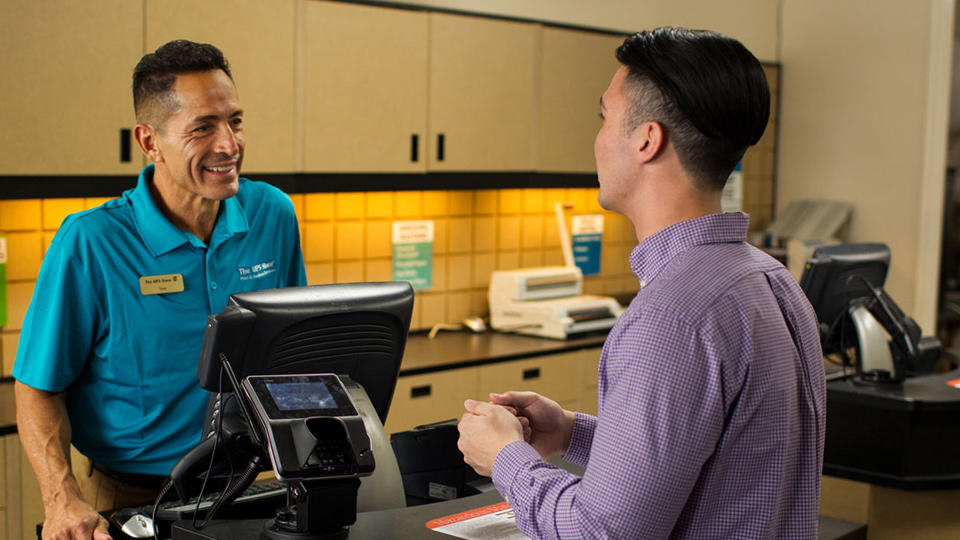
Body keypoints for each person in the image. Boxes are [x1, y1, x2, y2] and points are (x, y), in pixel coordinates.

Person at [458, 27, 825, 539]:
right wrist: (571, 431)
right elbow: (712, 462)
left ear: (647, 140)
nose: (597, 138)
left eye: (604, 117)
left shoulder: (671, 316)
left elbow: (598, 533)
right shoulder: (769, 279)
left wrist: (506, 458)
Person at [13, 40, 307, 540]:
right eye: (202, 128)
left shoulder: (272, 213)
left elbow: (293, 349)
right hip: (133, 496)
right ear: (149, 142)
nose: (229, 145)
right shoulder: (91, 241)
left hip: (247, 484)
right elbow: (38, 387)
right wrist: (62, 500)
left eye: (234, 121)